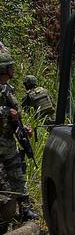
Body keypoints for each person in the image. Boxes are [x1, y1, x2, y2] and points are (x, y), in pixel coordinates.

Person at [0, 51, 37, 220]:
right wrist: (8, 111)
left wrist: (24, 128)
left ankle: (25, 208)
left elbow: (15, 117)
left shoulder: (8, 90)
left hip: (7, 140)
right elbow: (8, 112)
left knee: (17, 173)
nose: (13, 69)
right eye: (10, 67)